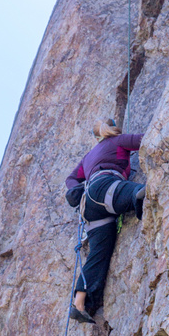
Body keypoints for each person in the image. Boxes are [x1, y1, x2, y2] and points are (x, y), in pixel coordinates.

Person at [65, 119, 146, 324]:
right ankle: (138, 196)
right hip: (106, 188)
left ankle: (80, 303)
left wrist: (76, 188)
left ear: (96, 136)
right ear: (114, 129)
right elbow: (146, 140)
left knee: (99, 253)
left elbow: (71, 178)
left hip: (90, 205)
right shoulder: (118, 141)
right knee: (133, 192)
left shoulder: (88, 157)